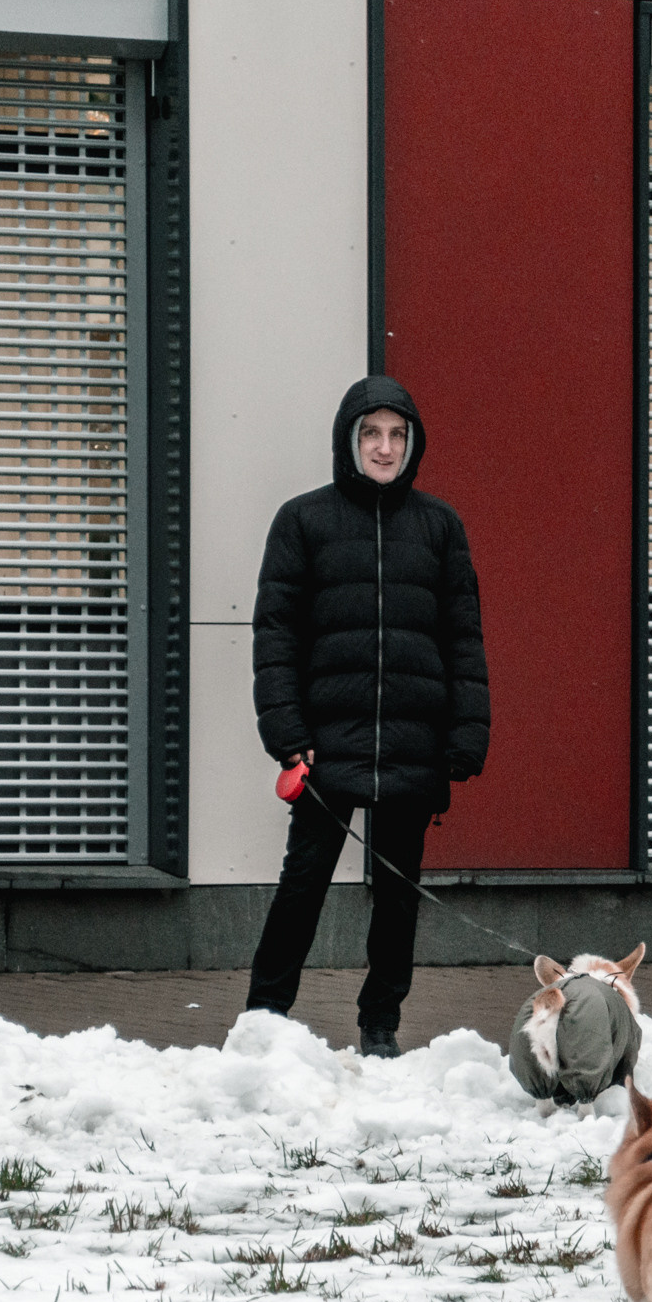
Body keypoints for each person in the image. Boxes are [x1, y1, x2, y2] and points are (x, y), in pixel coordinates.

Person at [248, 375, 490, 1057]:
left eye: (396, 434)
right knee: (302, 886)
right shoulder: (303, 521)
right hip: (328, 745)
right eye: (370, 433)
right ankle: (264, 1019)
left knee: (397, 896)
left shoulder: (439, 527)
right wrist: (288, 736)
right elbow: (276, 638)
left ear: (412, 444)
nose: (384, 447)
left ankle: (379, 1024)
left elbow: (462, 641)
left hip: (412, 742)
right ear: (348, 440)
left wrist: (465, 735)